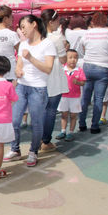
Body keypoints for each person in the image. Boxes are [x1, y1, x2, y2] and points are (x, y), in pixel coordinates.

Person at [3, 15, 55, 167]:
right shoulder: (23, 45)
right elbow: (19, 65)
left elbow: (48, 68)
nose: (22, 30)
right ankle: (15, 149)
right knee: (14, 120)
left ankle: (33, 151)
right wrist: (18, 72)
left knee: (36, 122)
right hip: (22, 86)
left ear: (34, 25)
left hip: (38, 88)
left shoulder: (47, 44)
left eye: (24, 26)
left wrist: (31, 58)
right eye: (20, 28)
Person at [78, 12, 108, 134]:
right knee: (99, 98)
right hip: (103, 67)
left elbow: (82, 49)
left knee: (85, 98)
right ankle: (94, 126)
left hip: (88, 66)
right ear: (105, 21)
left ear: (92, 21)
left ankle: (81, 123)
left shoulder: (87, 33)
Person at [40, 9, 69, 152]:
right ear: (51, 22)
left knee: (41, 111)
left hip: (40, 77)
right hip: (54, 76)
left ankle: (39, 139)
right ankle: (45, 140)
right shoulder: (56, 39)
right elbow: (64, 59)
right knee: (51, 110)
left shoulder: (37, 37)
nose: (59, 23)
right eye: (57, 20)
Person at [56, 49, 86, 141]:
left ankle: (71, 132)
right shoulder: (62, 69)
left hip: (75, 97)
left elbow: (83, 82)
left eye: (75, 58)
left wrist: (77, 82)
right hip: (64, 96)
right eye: (70, 57)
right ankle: (63, 131)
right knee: (64, 114)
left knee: (73, 115)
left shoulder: (79, 70)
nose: (73, 60)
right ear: (66, 58)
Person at [0, 5, 20, 82]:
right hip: (10, 73)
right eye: (11, 17)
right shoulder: (12, 34)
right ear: (5, 19)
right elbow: (20, 51)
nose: (12, 19)